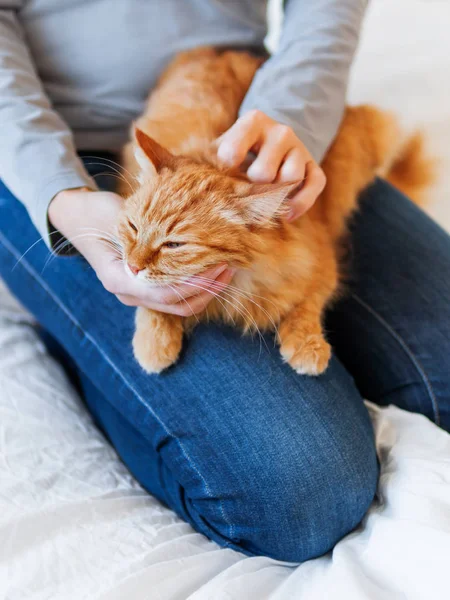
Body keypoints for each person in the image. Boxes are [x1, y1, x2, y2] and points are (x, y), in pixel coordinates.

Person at [0, 1, 449, 563]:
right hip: (58, 143)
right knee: (306, 500)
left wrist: (294, 111)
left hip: (254, 115)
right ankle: (84, 346)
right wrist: (59, 194)